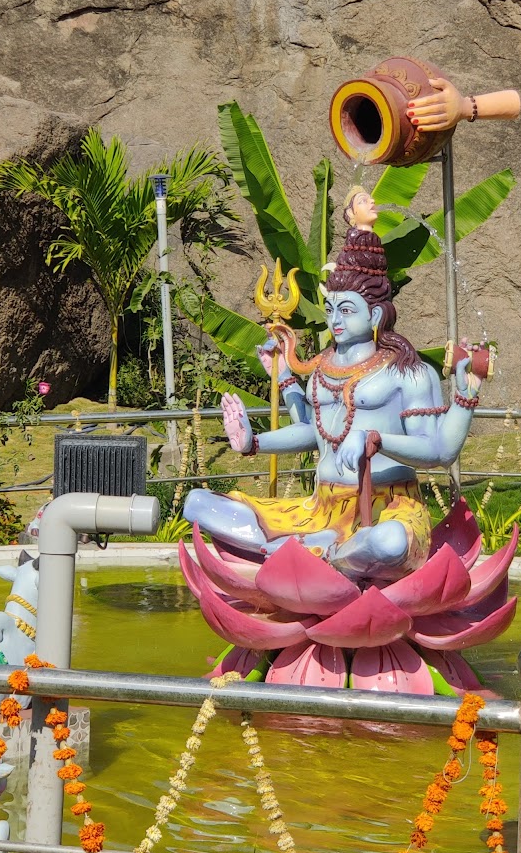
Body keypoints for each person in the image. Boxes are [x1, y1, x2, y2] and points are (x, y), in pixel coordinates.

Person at [183, 207, 486, 580]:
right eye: (330, 309)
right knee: (198, 504)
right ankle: (325, 550)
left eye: (346, 310)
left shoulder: (407, 372)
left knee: (389, 542)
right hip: (322, 507)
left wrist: (376, 439)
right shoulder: (321, 369)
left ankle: (311, 553)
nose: (335, 320)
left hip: (388, 510)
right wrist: (253, 442)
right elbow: (313, 432)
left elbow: (438, 451)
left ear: (375, 316)